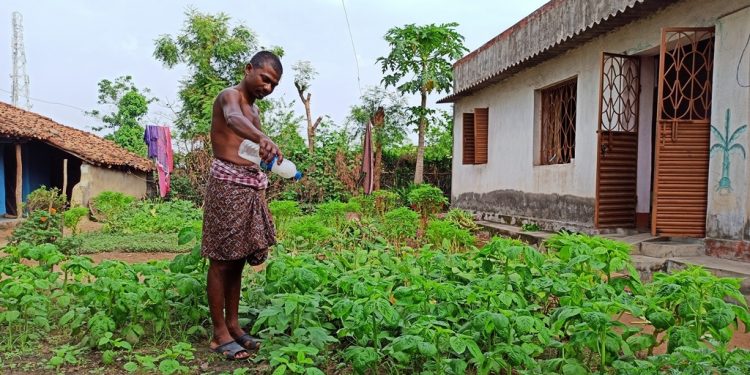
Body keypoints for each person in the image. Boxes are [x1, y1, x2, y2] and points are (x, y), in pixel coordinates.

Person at [202, 50, 284, 360]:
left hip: (248, 185)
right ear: (248, 69)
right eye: (265, 79)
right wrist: (263, 138)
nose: (268, 87)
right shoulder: (230, 97)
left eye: (274, 84)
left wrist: (265, 155)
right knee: (220, 260)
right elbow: (233, 121)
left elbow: (247, 148)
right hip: (225, 184)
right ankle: (218, 333)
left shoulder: (255, 112)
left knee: (237, 259)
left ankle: (234, 326)